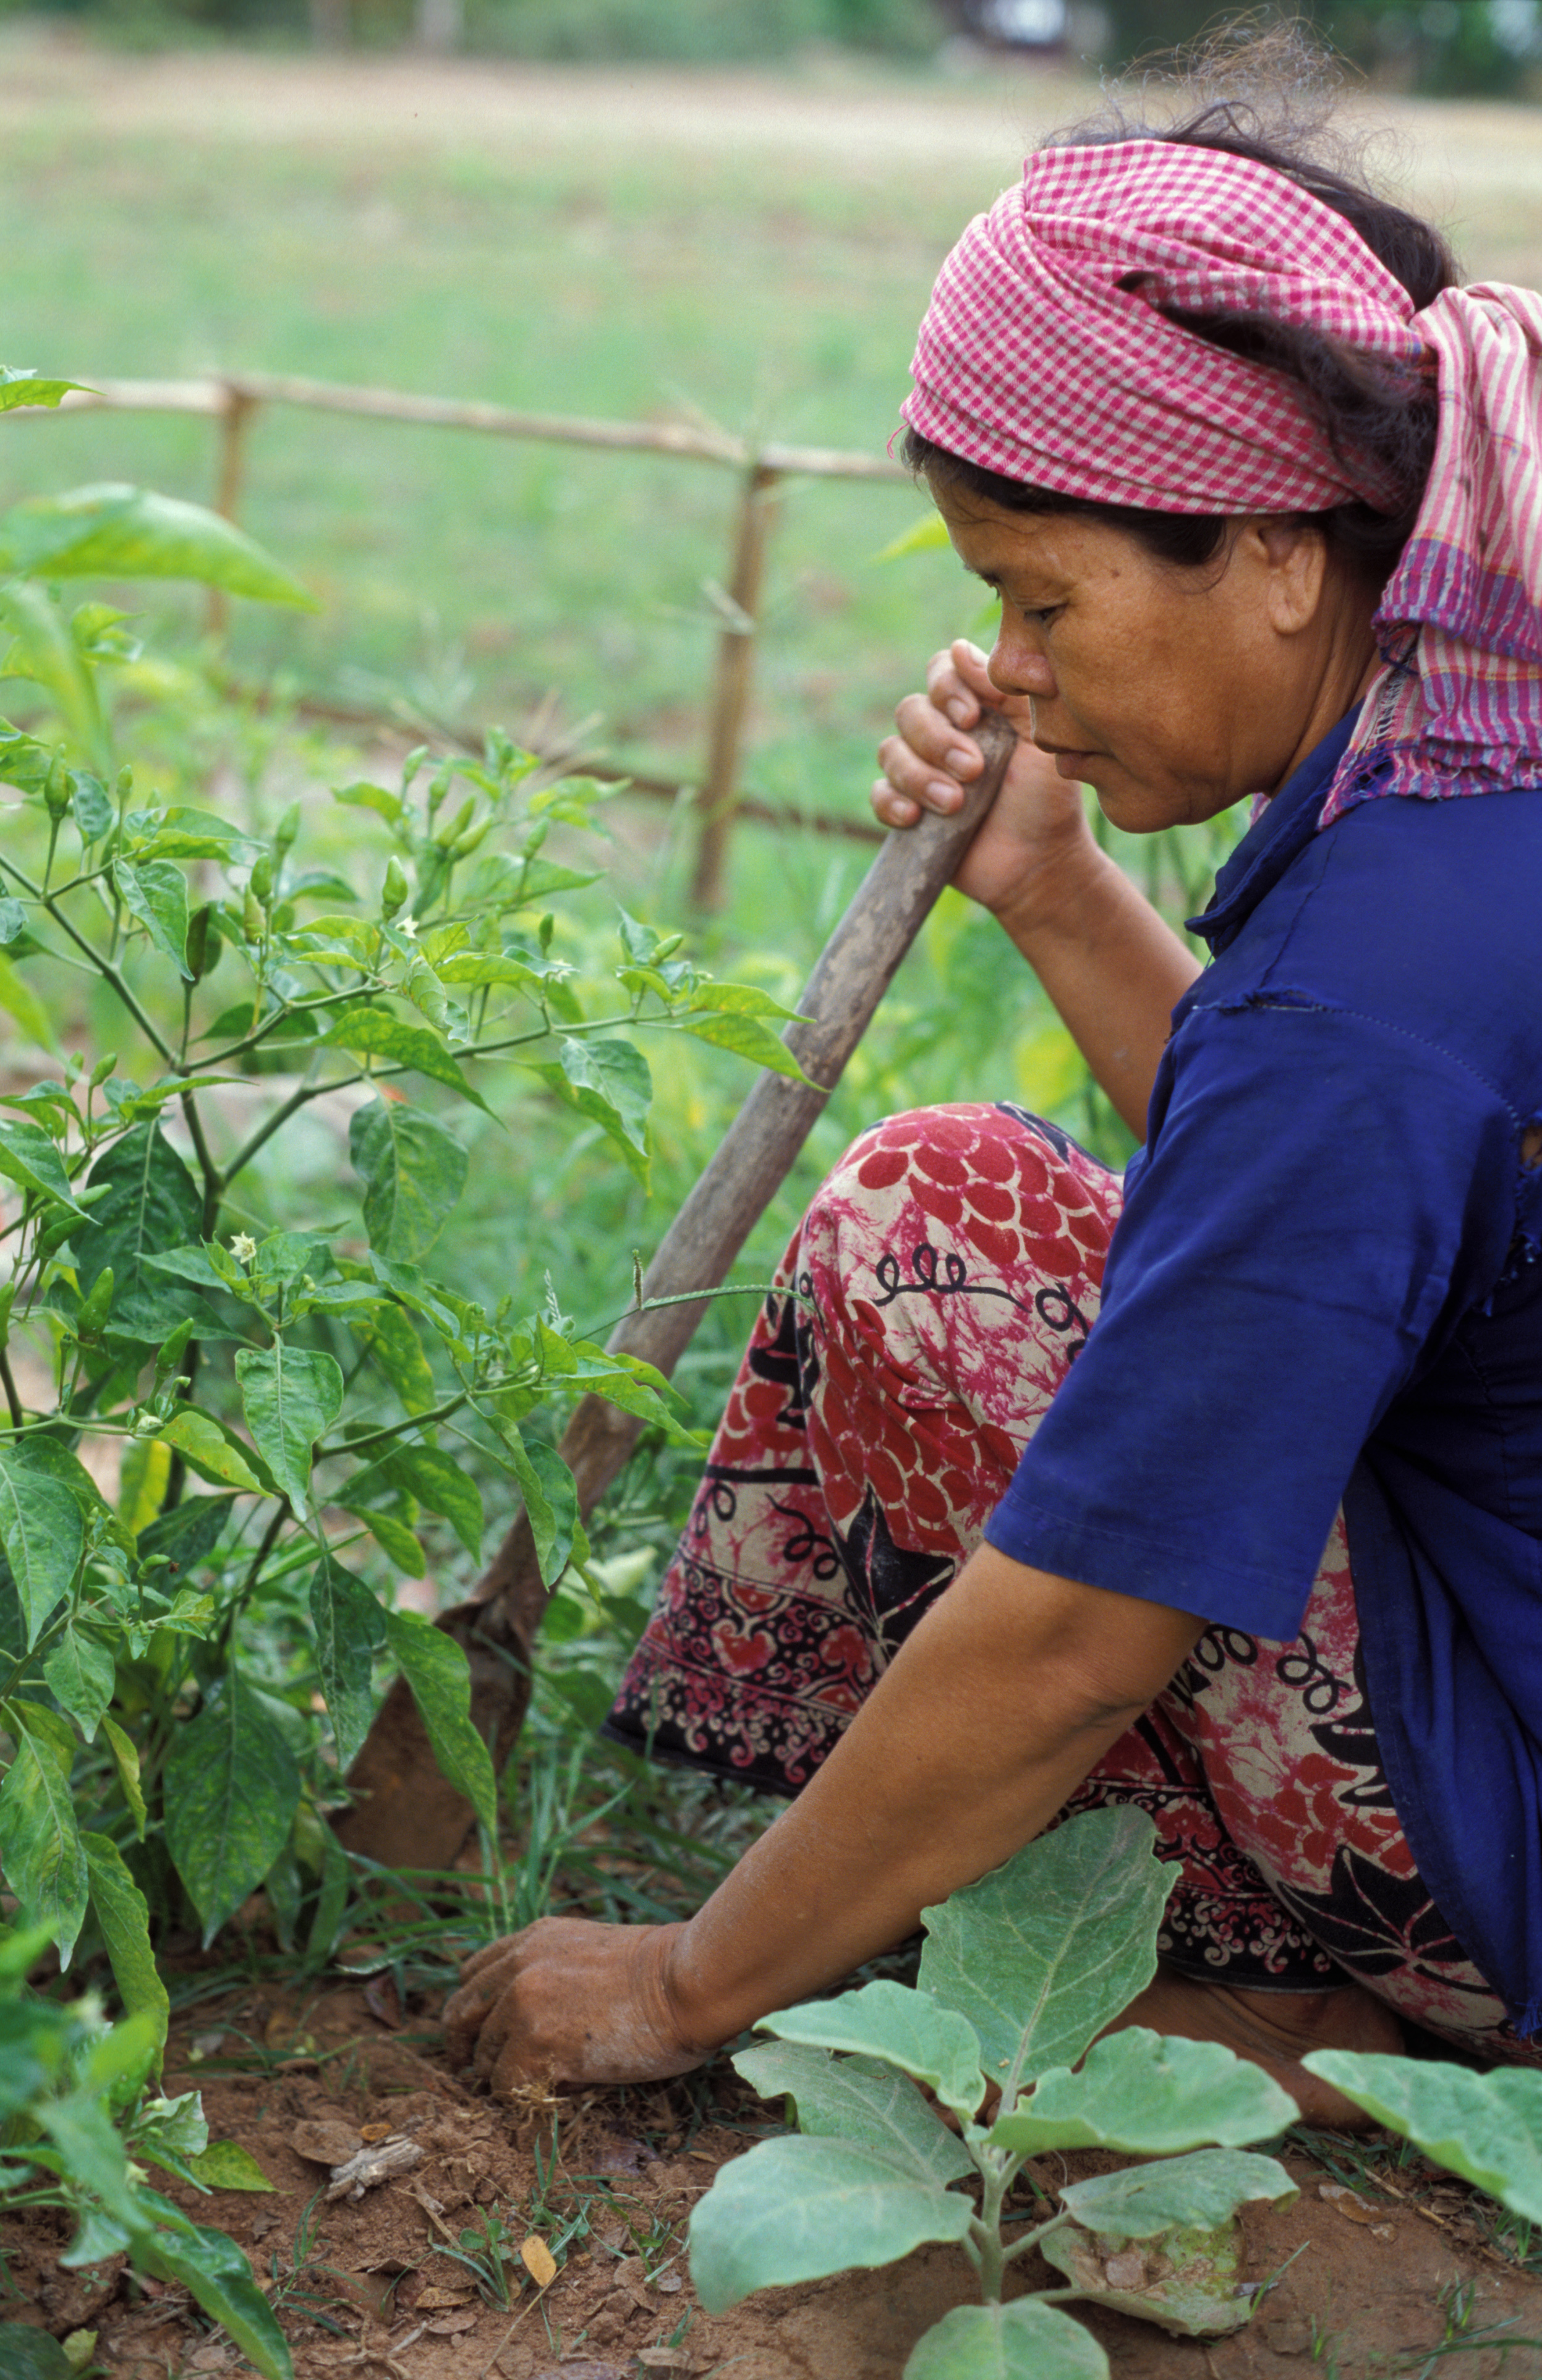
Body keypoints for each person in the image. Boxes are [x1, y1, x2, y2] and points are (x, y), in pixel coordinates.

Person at [445, 57, 1542, 2123]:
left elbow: (1081, 1625)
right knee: (952, 1199)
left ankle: (1295, 1995)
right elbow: (1341, 1228)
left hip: (1519, 1828)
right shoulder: (1485, 712)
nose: (1010, 665)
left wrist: (686, 1984)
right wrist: (1047, 877)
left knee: (925, 1261)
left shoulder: (1378, 984)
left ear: (1282, 552)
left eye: (1045, 598)